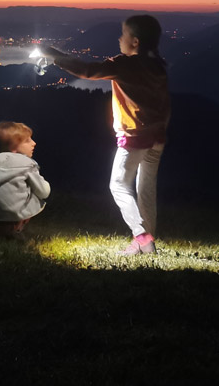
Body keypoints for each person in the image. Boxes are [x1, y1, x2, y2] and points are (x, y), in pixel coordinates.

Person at [41, 14, 170, 255]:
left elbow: (89, 71)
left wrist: (55, 55)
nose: (119, 38)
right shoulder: (157, 66)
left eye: (124, 34)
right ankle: (146, 242)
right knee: (146, 189)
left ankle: (142, 237)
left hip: (135, 135)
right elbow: (165, 103)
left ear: (135, 42)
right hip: (157, 136)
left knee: (118, 185)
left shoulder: (126, 64)